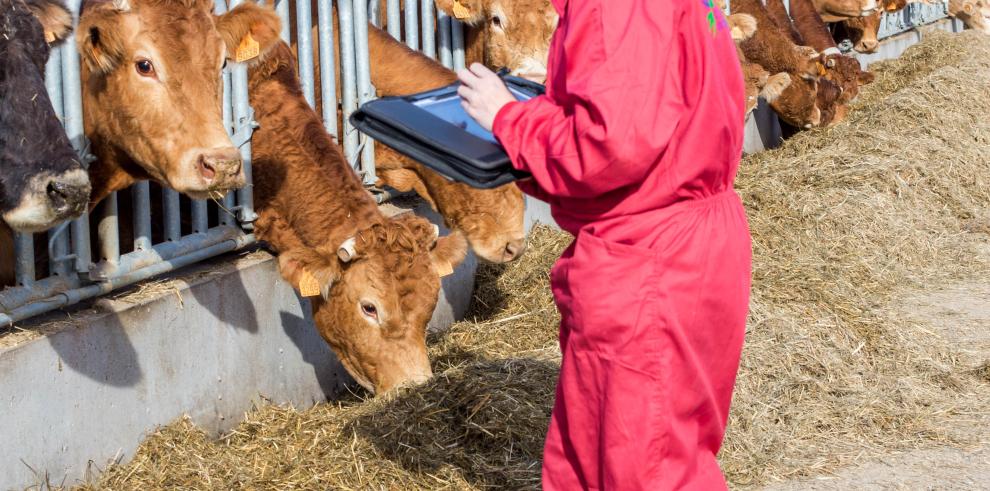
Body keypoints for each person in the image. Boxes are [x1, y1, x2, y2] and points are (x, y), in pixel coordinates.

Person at [456, 0, 752, 489]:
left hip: (648, 252)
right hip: (687, 235)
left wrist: (510, 119)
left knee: (637, 464)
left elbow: (613, 142)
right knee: (657, 447)